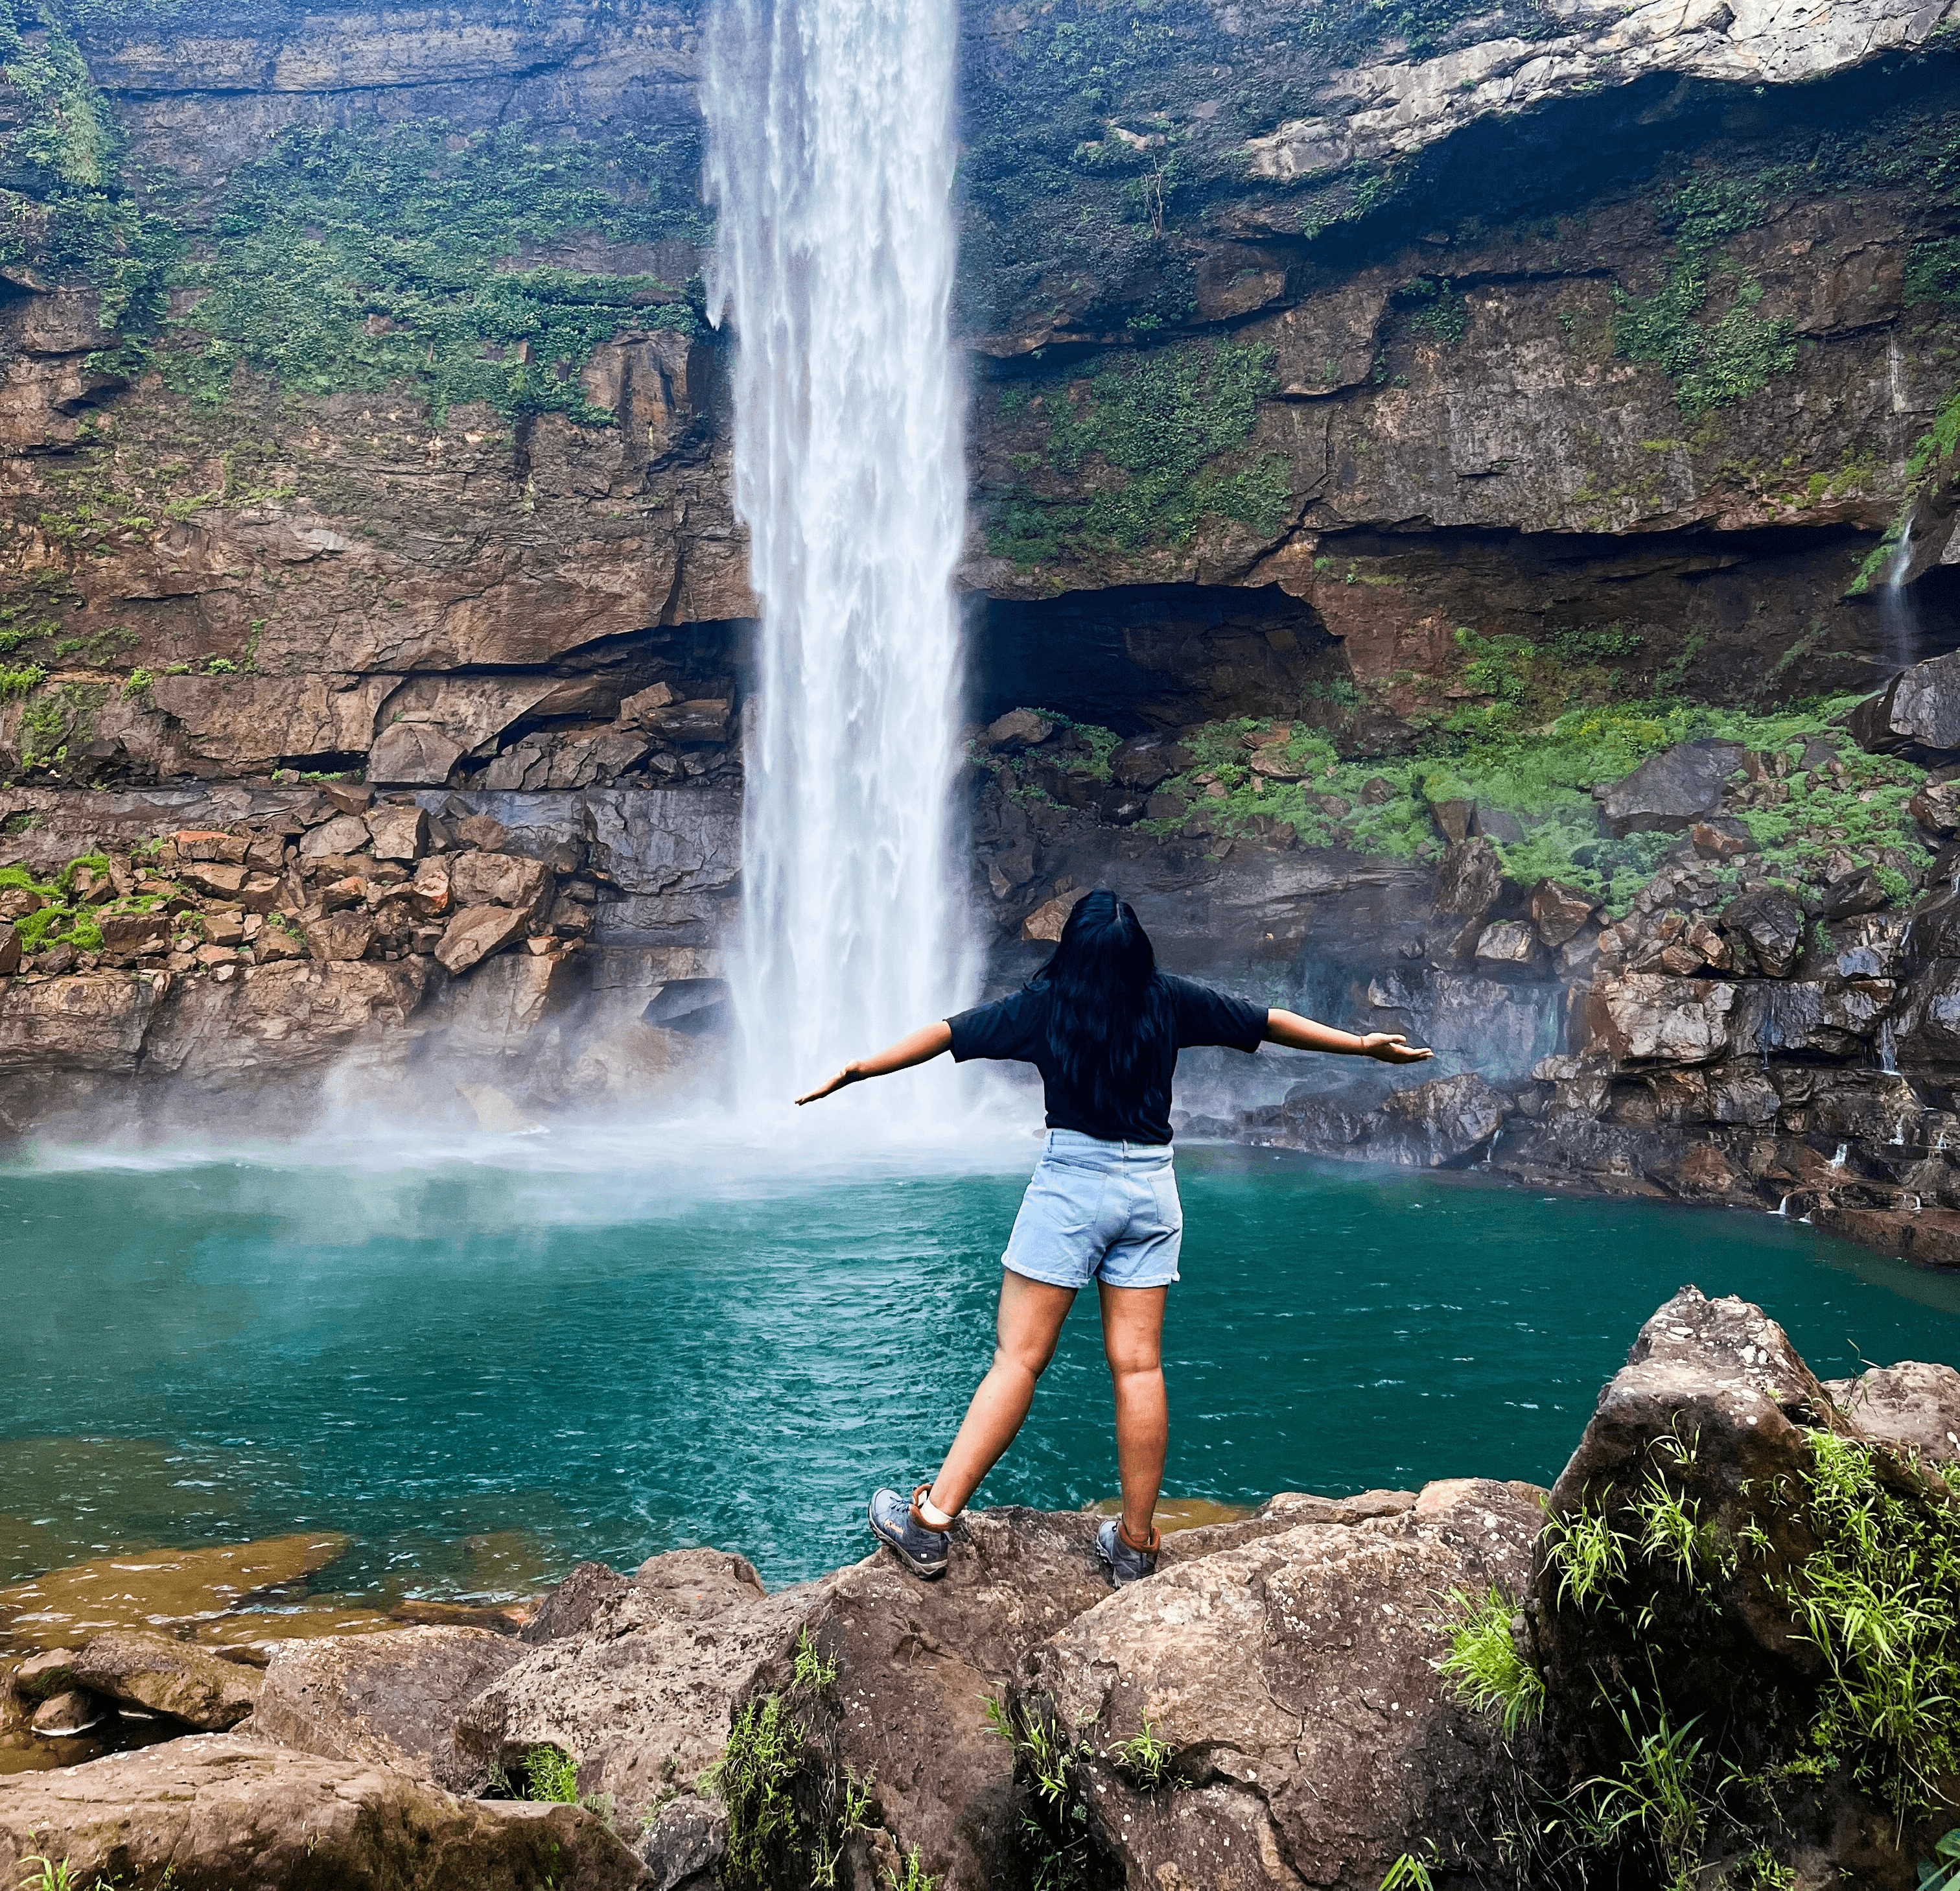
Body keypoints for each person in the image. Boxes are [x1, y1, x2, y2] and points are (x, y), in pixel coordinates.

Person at [793, 888, 1432, 1589]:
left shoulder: (1045, 1005)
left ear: (1070, 950)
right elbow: (1267, 1023)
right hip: (1153, 1190)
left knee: (1018, 1360)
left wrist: (860, 1068)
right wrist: (1362, 1048)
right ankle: (1133, 1544)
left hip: (1073, 1185)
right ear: (1139, 956)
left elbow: (948, 1034)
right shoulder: (1167, 999)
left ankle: (930, 1522)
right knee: (1138, 1368)